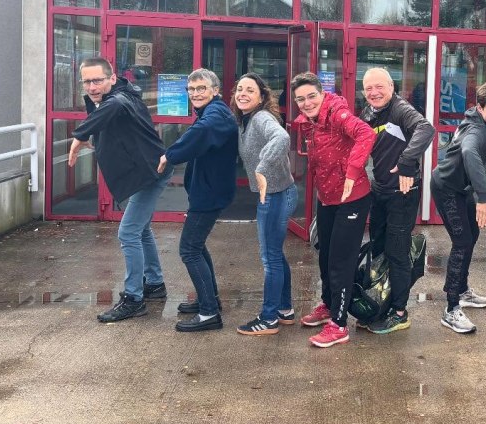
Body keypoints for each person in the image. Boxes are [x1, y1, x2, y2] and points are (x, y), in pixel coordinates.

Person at [68, 57, 172, 323]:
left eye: (97, 80)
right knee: (141, 229)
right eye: (87, 82)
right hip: (144, 171)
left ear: (112, 78)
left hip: (151, 173)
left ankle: (134, 299)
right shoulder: (110, 99)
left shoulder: (121, 98)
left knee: (128, 232)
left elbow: (115, 106)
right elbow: (106, 118)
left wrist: (80, 136)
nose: (91, 87)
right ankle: (155, 284)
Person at [292, 72, 375, 348]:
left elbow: (365, 134)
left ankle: (339, 325)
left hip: (352, 198)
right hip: (328, 197)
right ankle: (328, 305)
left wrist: (352, 172)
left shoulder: (337, 114)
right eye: (300, 99)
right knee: (325, 255)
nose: (306, 103)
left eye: (311, 96)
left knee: (341, 261)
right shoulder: (311, 122)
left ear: (322, 94)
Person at [159, 68, 239, 333]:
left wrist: (170, 155)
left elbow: (200, 133)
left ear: (215, 90)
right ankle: (210, 299)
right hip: (207, 191)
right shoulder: (210, 111)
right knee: (197, 246)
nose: (195, 93)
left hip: (210, 194)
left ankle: (209, 314)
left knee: (189, 250)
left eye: (201, 88)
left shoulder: (216, 115)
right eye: (191, 89)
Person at [360, 67, 436, 334]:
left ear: (391, 87)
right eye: (369, 88)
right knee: (379, 248)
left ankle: (400, 312)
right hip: (379, 191)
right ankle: (382, 304)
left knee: (397, 252)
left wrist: (406, 162)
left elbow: (426, 129)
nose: (374, 92)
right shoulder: (368, 113)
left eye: (379, 86)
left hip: (402, 194)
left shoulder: (400, 109)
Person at [430, 81, 486, 334]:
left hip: (461, 188)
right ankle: (451, 308)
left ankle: (462, 290)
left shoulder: (484, 123)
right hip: (446, 187)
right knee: (462, 242)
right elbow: (469, 153)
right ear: (480, 108)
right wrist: (484, 197)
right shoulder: (476, 131)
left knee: (472, 234)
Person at [231, 72, 298, 336]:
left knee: (270, 258)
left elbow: (281, 138)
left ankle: (269, 318)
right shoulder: (244, 120)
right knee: (275, 255)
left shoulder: (260, 118)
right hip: (275, 194)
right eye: (240, 89)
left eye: (250, 90)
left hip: (276, 195)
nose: (243, 93)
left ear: (261, 97)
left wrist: (262, 167)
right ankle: (284, 309)